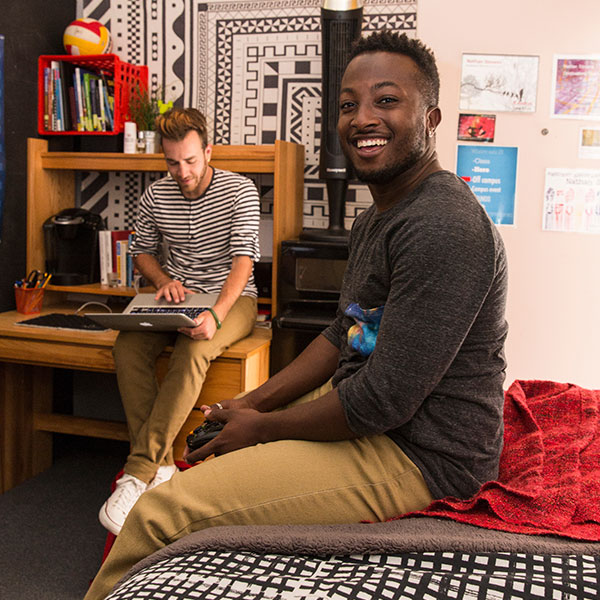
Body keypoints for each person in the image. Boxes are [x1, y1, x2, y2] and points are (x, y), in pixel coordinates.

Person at [85, 31, 508, 600]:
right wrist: (252, 403)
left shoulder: (443, 225)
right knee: (217, 442)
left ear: (430, 117)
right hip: (381, 419)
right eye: (348, 104)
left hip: (423, 453)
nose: (362, 118)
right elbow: (342, 333)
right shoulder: (378, 217)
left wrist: (265, 425)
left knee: (162, 511)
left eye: (386, 100)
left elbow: (381, 402)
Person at [98, 107, 260, 536]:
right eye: (172, 162)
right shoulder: (156, 194)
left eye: (190, 160)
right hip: (178, 296)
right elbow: (143, 250)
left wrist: (215, 314)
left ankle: (136, 474)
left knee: (193, 352)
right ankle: (165, 467)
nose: (182, 171)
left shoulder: (239, 190)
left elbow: (243, 261)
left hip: (233, 298)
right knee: (127, 347)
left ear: (207, 151)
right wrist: (163, 280)